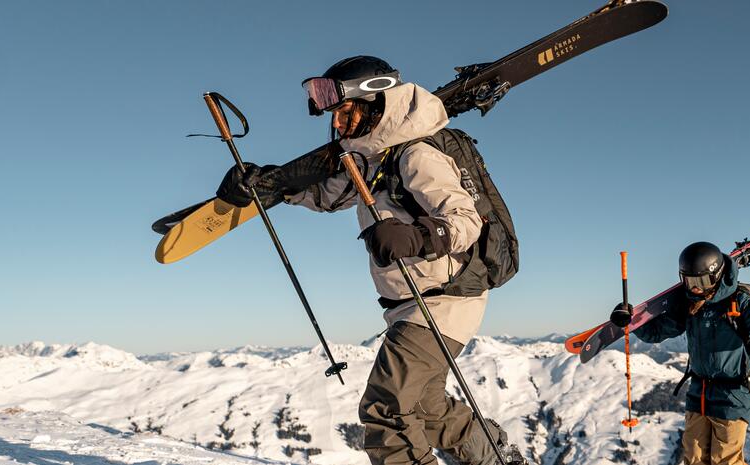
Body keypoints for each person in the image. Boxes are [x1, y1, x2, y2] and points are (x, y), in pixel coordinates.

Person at [214, 55, 522, 465]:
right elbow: (328, 196)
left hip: (440, 302)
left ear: (373, 103)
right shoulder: (373, 159)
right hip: (412, 304)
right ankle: (498, 457)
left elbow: (466, 222)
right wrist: (270, 186)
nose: (337, 124)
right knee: (428, 410)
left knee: (387, 411)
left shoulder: (415, 155)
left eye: (343, 112)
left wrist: (414, 236)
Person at [610, 241, 750, 465]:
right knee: (693, 459)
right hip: (699, 393)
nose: (696, 288)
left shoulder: (740, 302)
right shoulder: (690, 306)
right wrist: (631, 323)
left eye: (702, 281)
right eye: (690, 281)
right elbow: (657, 332)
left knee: (725, 461)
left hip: (733, 395)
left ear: (717, 276)